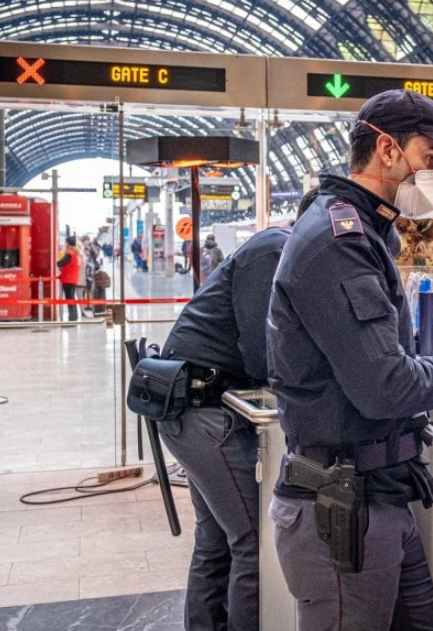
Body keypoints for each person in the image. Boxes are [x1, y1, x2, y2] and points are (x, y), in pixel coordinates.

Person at [267, 89, 433, 631]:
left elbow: (384, 361)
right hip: (341, 511)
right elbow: (382, 383)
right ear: (387, 149)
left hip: (377, 497)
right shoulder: (339, 241)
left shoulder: (369, 229)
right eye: (430, 157)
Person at [160, 204, 309, 631]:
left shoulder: (276, 250)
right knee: (254, 542)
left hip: (197, 408)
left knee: (216, 541)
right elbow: (262, 351)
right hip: (206, 414)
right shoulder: (274, 251)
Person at [56, 235, 82, 322]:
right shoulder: (77, 253)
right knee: (72, 298)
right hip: (73, 278)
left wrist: (57, 261)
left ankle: (73, 317)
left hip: (68, 279)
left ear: (68, 243)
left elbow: (60, 263)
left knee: (69, 299)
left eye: (65, 242)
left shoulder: (70, 253)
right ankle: (74, 316)